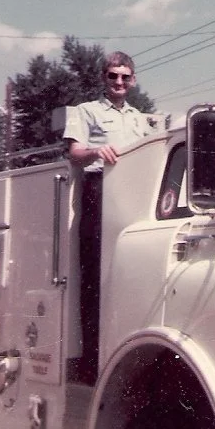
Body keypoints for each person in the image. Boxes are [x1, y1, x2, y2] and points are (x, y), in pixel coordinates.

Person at [63, 51, 152, 384]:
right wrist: (96, 151)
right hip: (99, 190)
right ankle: (91, 363)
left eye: (125, 76)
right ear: (104, 78)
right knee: (95, 277)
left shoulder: (139, 118)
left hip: (135, 192)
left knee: (128, 274)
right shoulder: (87, 111)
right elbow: (74, 154)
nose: (119, 82)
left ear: (133, 80)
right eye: (113, 76)